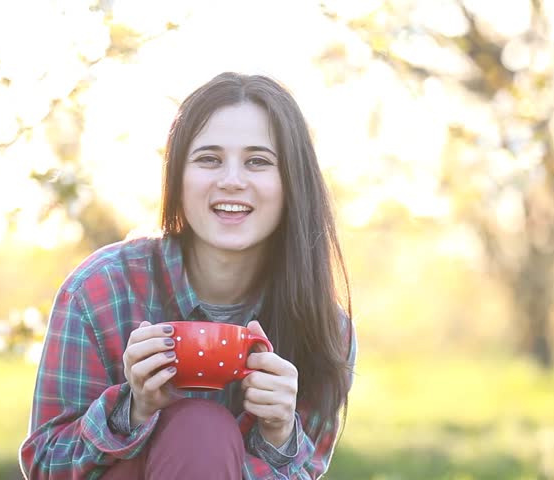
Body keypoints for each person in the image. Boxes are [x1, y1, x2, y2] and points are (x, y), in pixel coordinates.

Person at [19, 72, 357, 479]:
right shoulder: (100, 290)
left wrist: (280, 435)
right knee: (199, 428)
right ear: (177, 178)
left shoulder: (323, 325)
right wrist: (132, 409)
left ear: (292, 183)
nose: (232, 180)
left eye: (258, 161)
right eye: (209, 159)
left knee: (203, 433)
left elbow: (307, 471)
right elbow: (44, 466)